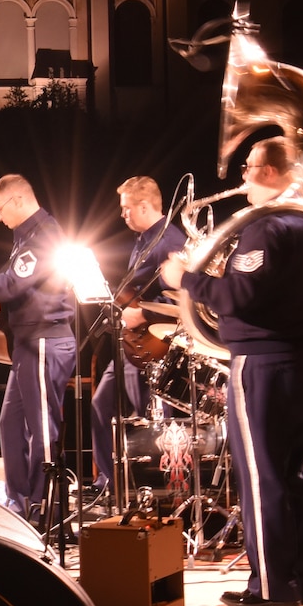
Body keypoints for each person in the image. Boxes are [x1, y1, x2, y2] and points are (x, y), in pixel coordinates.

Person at [163, 138, 303, 606]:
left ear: (272, 173)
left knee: (262, 477)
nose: (243, 178)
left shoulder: (266, 228)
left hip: (261, 363)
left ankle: (271, 589)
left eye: (250, 168)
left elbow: (240, 297)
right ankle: (302, 582)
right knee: (293, 475)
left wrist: (187, 279)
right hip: (299, 359)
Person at [0, 174, 76, 519]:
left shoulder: (44, 236)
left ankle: (44, 506)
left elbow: (10, 286)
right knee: (10, 422)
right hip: (28, 343)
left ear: (19, 200)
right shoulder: (26, 237)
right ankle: (19, 500)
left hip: (43, 341)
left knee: (42, 428)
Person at [92, 176, 186, 491]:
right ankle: (110, 481)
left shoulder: (170, 242)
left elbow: (185, 301)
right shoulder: (144, 239)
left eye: (127, 209)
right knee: (100, 406)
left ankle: (163, 489)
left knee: (154, 419)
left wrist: (143, 313)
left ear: (144, 206)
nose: (123, 215)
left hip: (156, 347)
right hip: (133, 343)